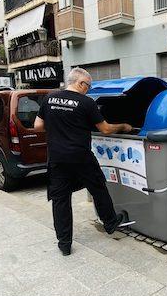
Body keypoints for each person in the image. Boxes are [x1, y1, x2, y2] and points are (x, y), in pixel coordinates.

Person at [34, 67, 135, 256]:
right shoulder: (86, 102)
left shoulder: (50, 98)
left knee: (60, 200)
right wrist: (124, 126)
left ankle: (64, 244)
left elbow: (38, 125)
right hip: (80, 157)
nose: (88, 90)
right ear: (81, 83)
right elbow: (105, 129)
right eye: (88, 86)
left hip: (57, 158)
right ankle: (110, 223)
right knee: (98, 187)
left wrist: (58, 126)